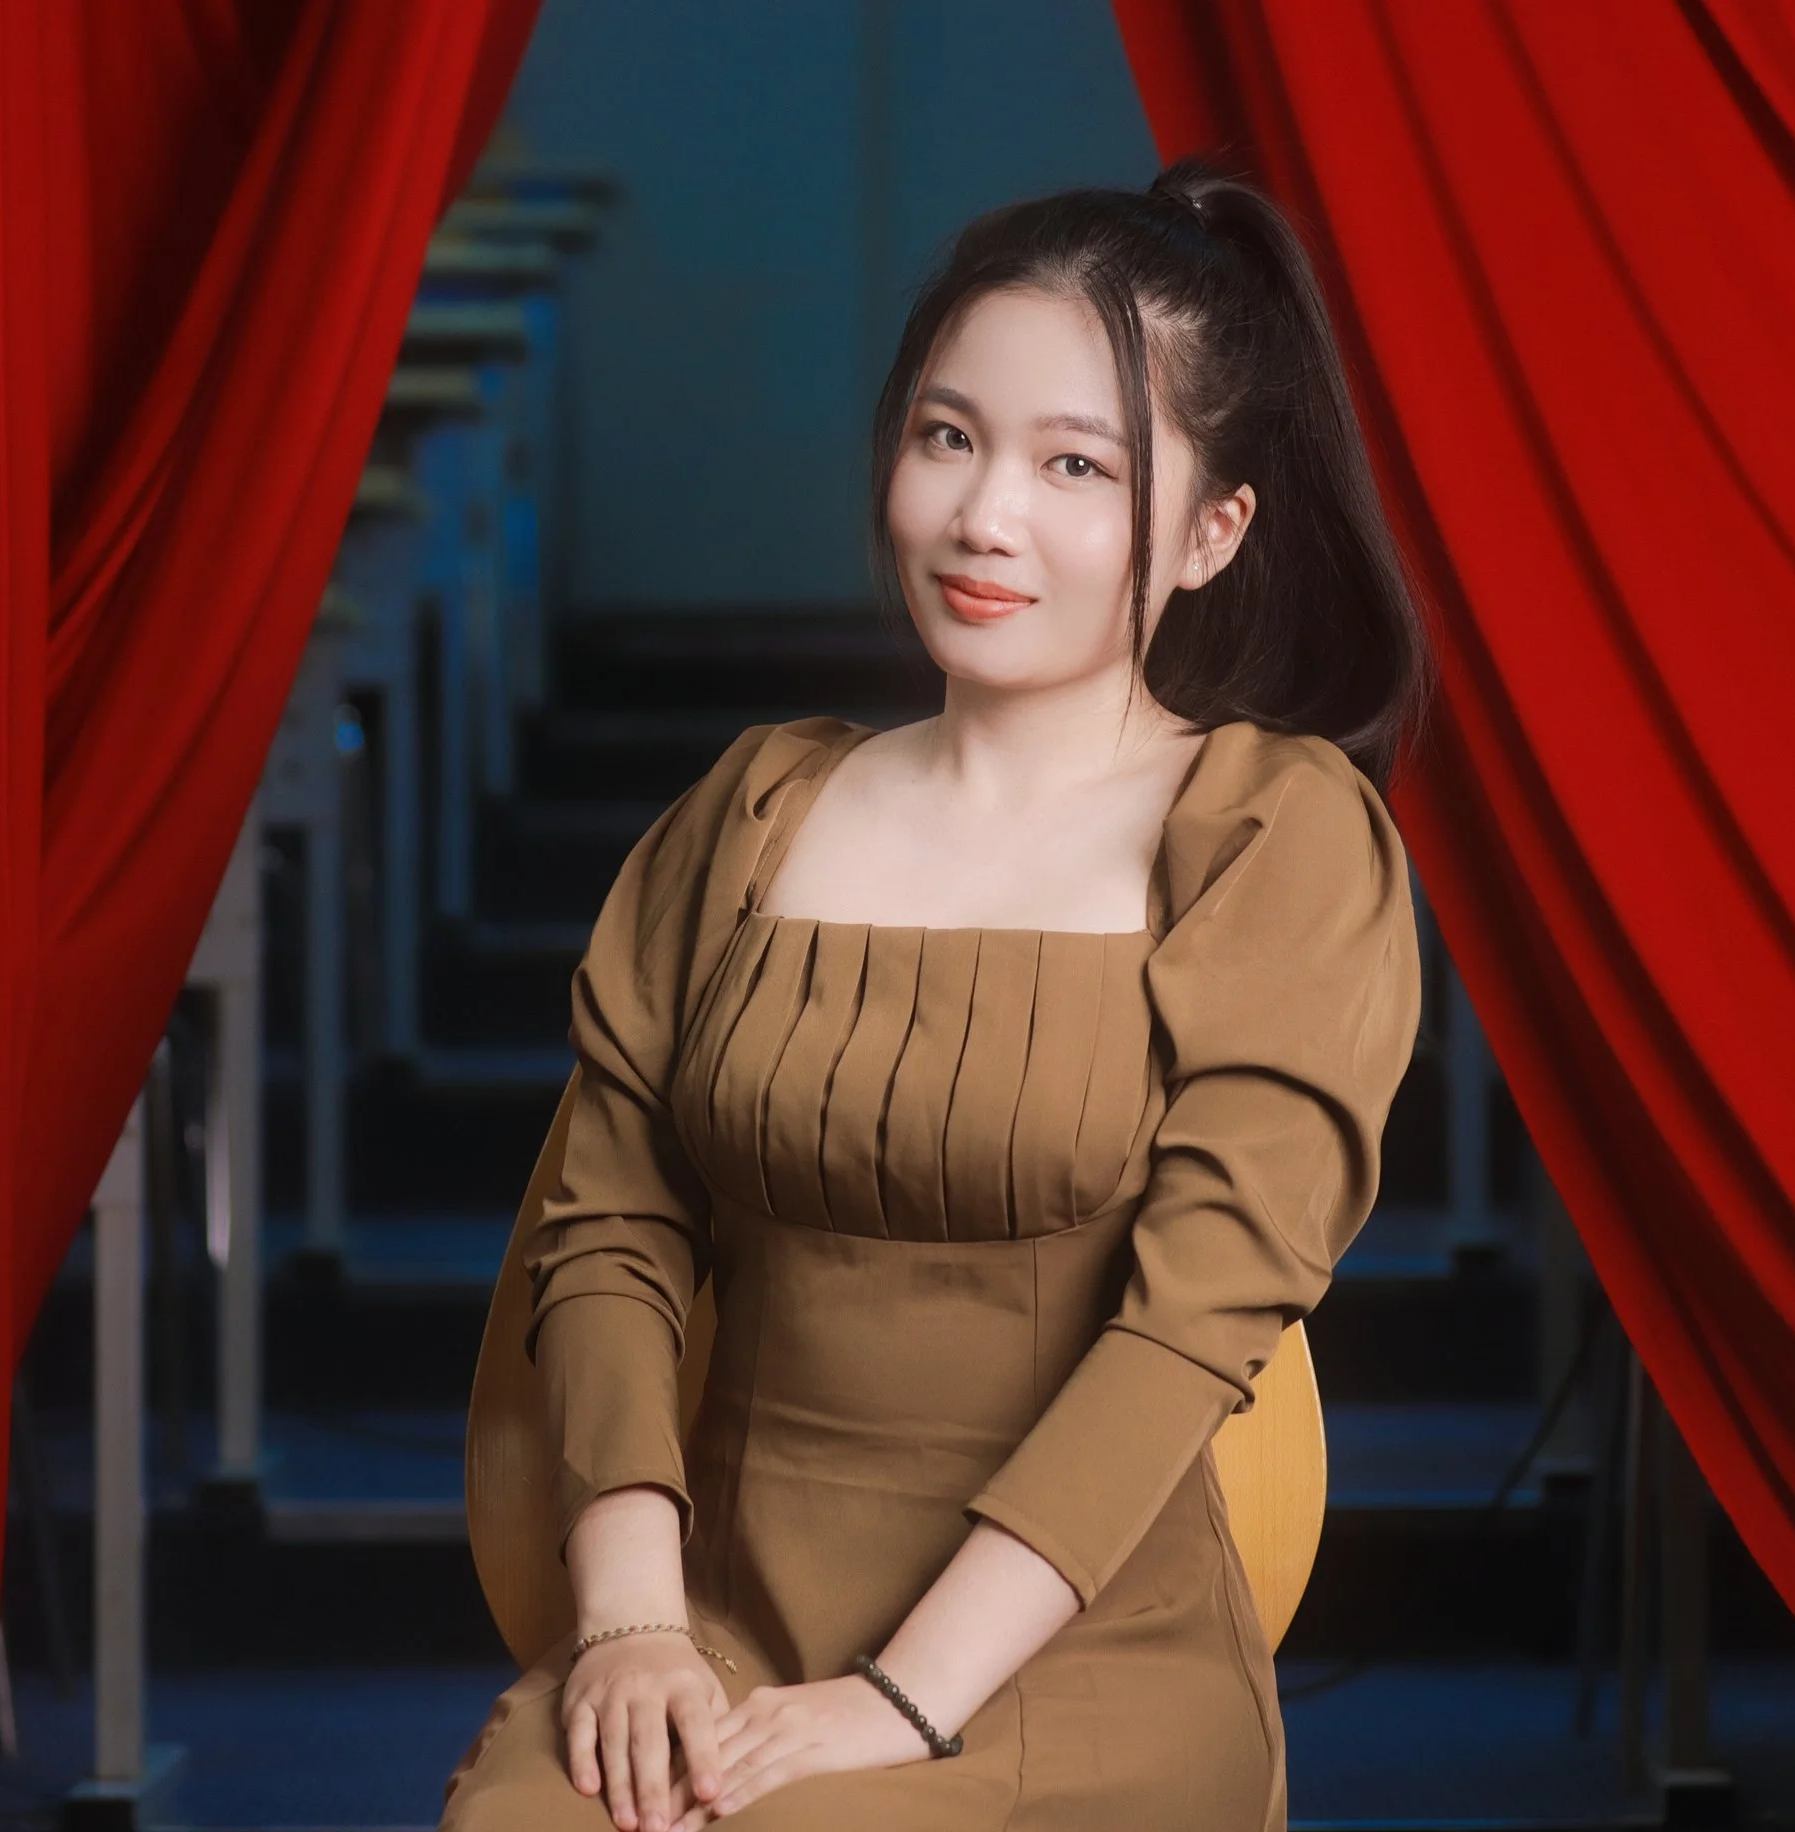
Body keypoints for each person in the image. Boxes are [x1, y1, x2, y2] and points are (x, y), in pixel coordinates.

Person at [440, 156, 1430, 1832]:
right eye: (949, 436)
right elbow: (611, 1228)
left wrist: (901, 1700)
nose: (985, 516)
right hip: (719, 1620)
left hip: (1070, 1653)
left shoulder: (1272, 832)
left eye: (1076, 466)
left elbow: (1196, 1327)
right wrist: (628, 1625)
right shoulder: (752, 807)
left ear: (1213, 531)